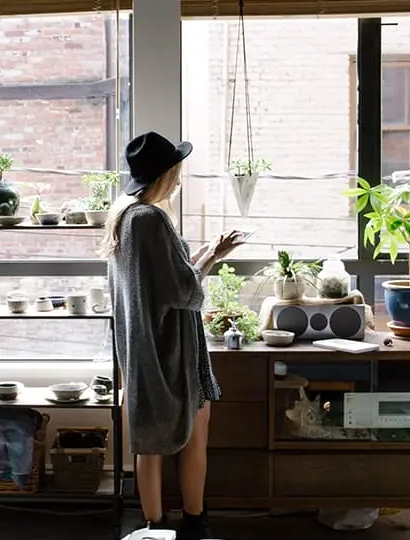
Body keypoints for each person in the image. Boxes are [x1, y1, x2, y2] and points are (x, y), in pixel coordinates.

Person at [103, 131, 246, 540]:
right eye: (177, 170)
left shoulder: (125, 216)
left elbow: (165, 278)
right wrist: (210, 262)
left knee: (148, 441)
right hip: (170, 351)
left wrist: (208, 254)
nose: (180, 178)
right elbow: (184, 291)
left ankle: (155, 529)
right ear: (165, 175)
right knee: (194, 433)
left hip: (141, 350)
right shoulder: (152, 219)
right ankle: (195, 524)